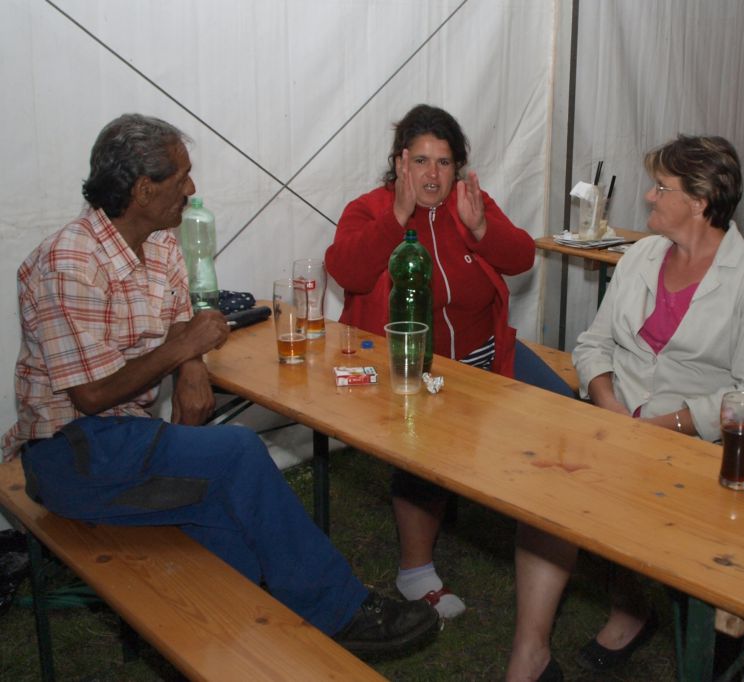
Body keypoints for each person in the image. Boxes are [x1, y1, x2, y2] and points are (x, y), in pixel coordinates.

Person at [1, 113, 437, 658]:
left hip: (125, 440)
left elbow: (183, 324)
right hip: (69, 454)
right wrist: (183, 350)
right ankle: (344, 613)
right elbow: (91, 395)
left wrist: (190, 369)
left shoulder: (160, 242)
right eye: (181, 176)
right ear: (143, 189)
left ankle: (219, 643)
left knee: (230, 532)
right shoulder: (68, 262)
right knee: (237, 454)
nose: (192, 187)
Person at [506, 134, 744, 681]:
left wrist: (664, 426)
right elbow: (593, 344)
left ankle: (633, 608)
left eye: (662, 187)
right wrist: (609, 404)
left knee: (617, 496)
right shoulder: (640, 255)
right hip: (616, 426)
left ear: (700, 201)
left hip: (698, 448)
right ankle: (531, 655)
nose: (649, 196)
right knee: (548, 497)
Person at [325, 104, 574, 620]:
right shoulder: (369, 209)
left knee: (565, 411)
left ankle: (553, 530)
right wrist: (396, 219)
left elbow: (522, 257)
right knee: (423, 443)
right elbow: (346, 270)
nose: (432, 175)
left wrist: (482, 229)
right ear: (400, 163)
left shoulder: (470, 203)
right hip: (417, 370)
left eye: (444, 162)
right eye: (421, 161)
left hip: (487, 356)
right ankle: (415, 571)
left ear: (458, 167)